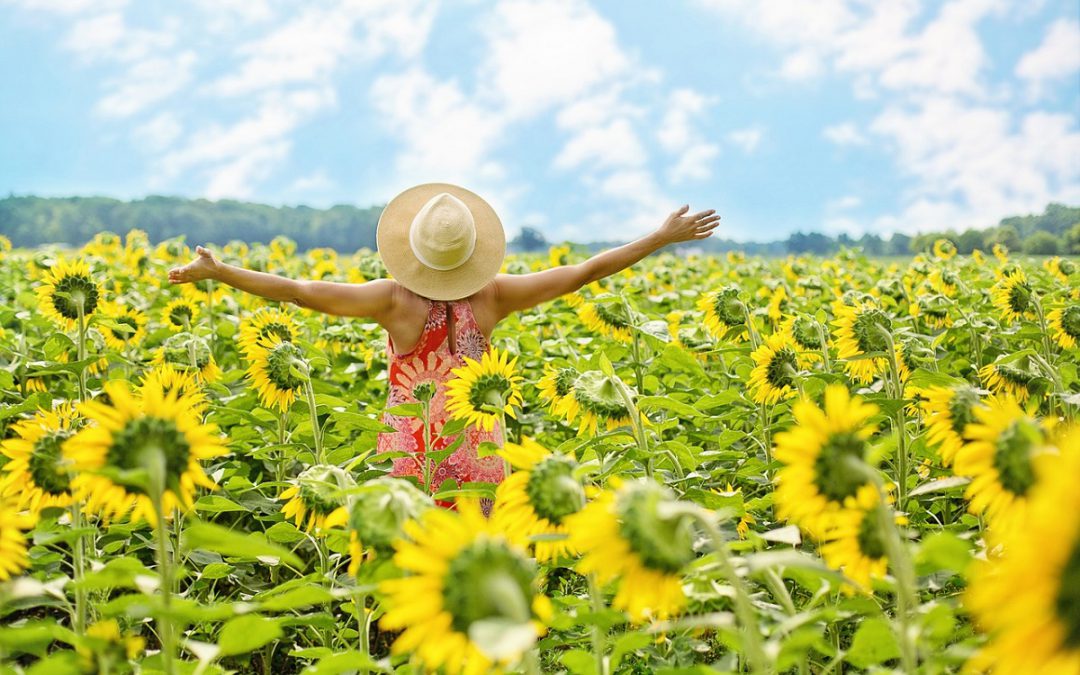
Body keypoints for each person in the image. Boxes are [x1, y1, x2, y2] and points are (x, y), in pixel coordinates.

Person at [168, 182, 720, 496]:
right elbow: (585, 271)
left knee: (417, 570)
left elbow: (298, 290)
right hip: (481, 454)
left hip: (417, 456)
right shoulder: (495, 296)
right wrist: (660, 237)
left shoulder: (393, 301)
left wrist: (223, 272)